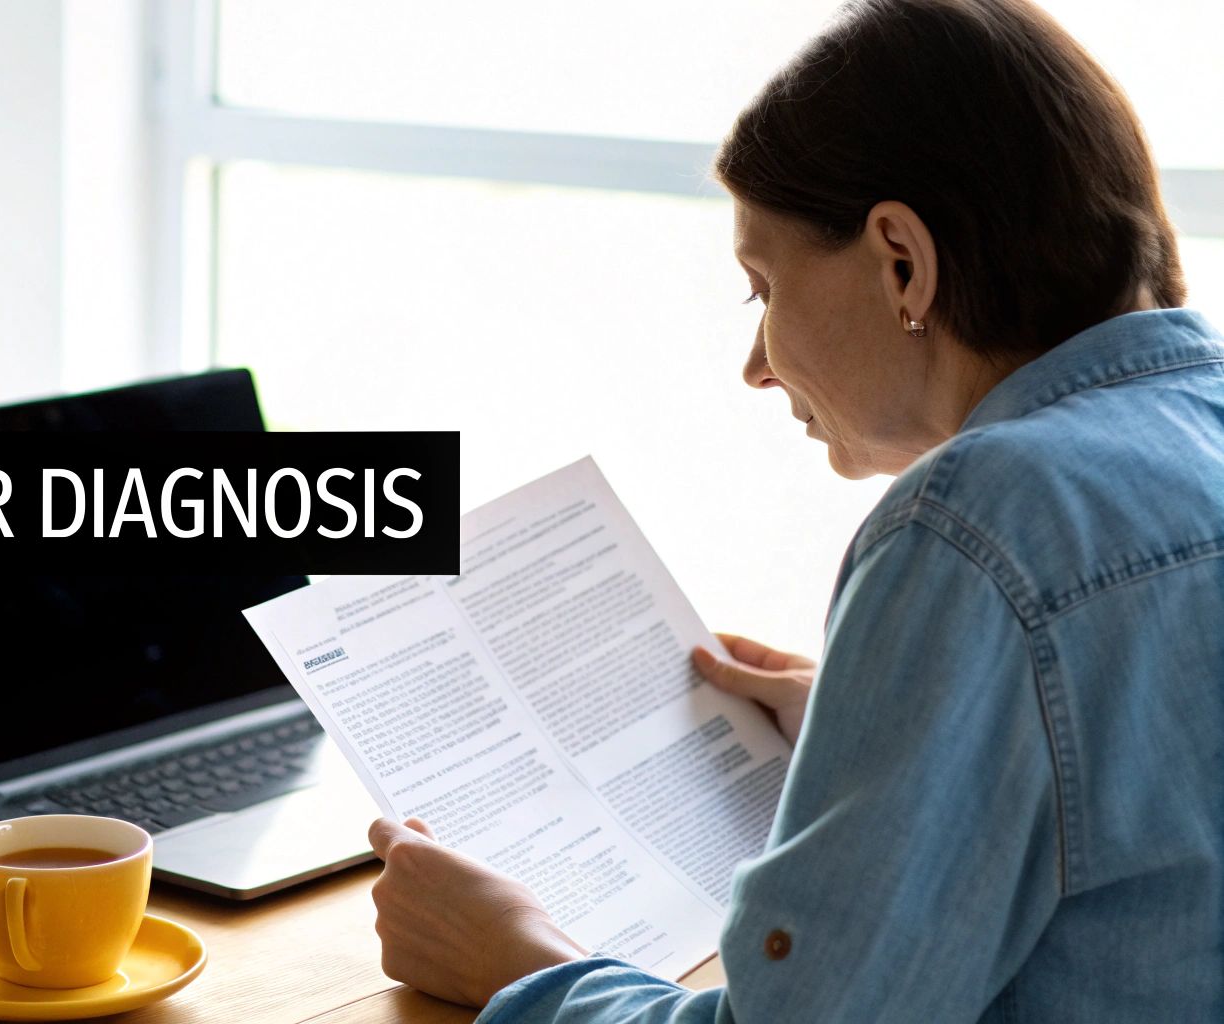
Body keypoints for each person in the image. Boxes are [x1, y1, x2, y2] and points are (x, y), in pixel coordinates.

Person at [365, 0, 1224, 1020]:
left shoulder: (973, 526)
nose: (754, 365)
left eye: (759, 285)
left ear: (899, 258)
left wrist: (521, 962)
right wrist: (881, 728)